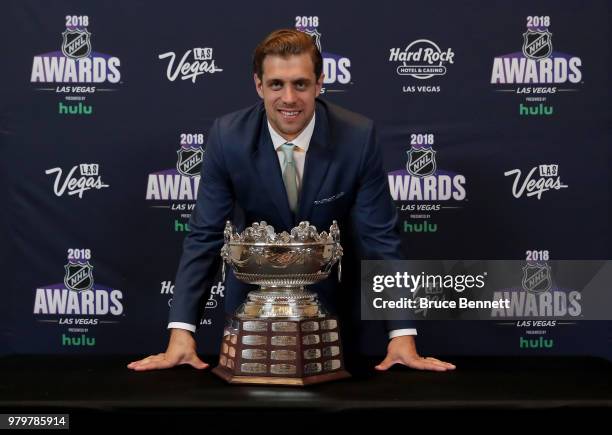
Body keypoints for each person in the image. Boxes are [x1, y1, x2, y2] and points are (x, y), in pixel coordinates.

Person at [128, 29, 455, 373]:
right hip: (251, 314)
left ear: (319, 84)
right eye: (276, 85)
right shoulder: (228, 137)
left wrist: (402, 334)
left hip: (330, 314)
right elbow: (204, 236)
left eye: (300, 84)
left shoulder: (357, 138)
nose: (289, 98)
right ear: (258, 86)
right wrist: (181, 332)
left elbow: (380, 239)